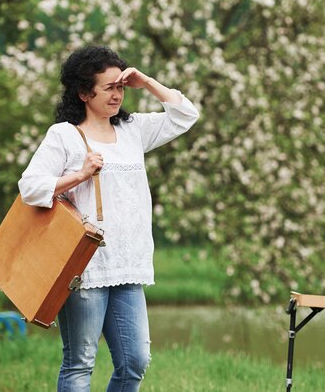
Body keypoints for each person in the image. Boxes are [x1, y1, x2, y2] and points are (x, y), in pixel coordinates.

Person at [18, 45, 200, 392]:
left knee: (135, 362)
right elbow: (30, 187)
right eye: (109, 87)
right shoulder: (65, 136)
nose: (118, 94)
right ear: (85, 93)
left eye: (120, 86)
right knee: (80, 364)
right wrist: (79, 175)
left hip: (129, 265)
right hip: (84, 268)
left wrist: (145, 82)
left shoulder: (133, 129)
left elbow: (185, 115)